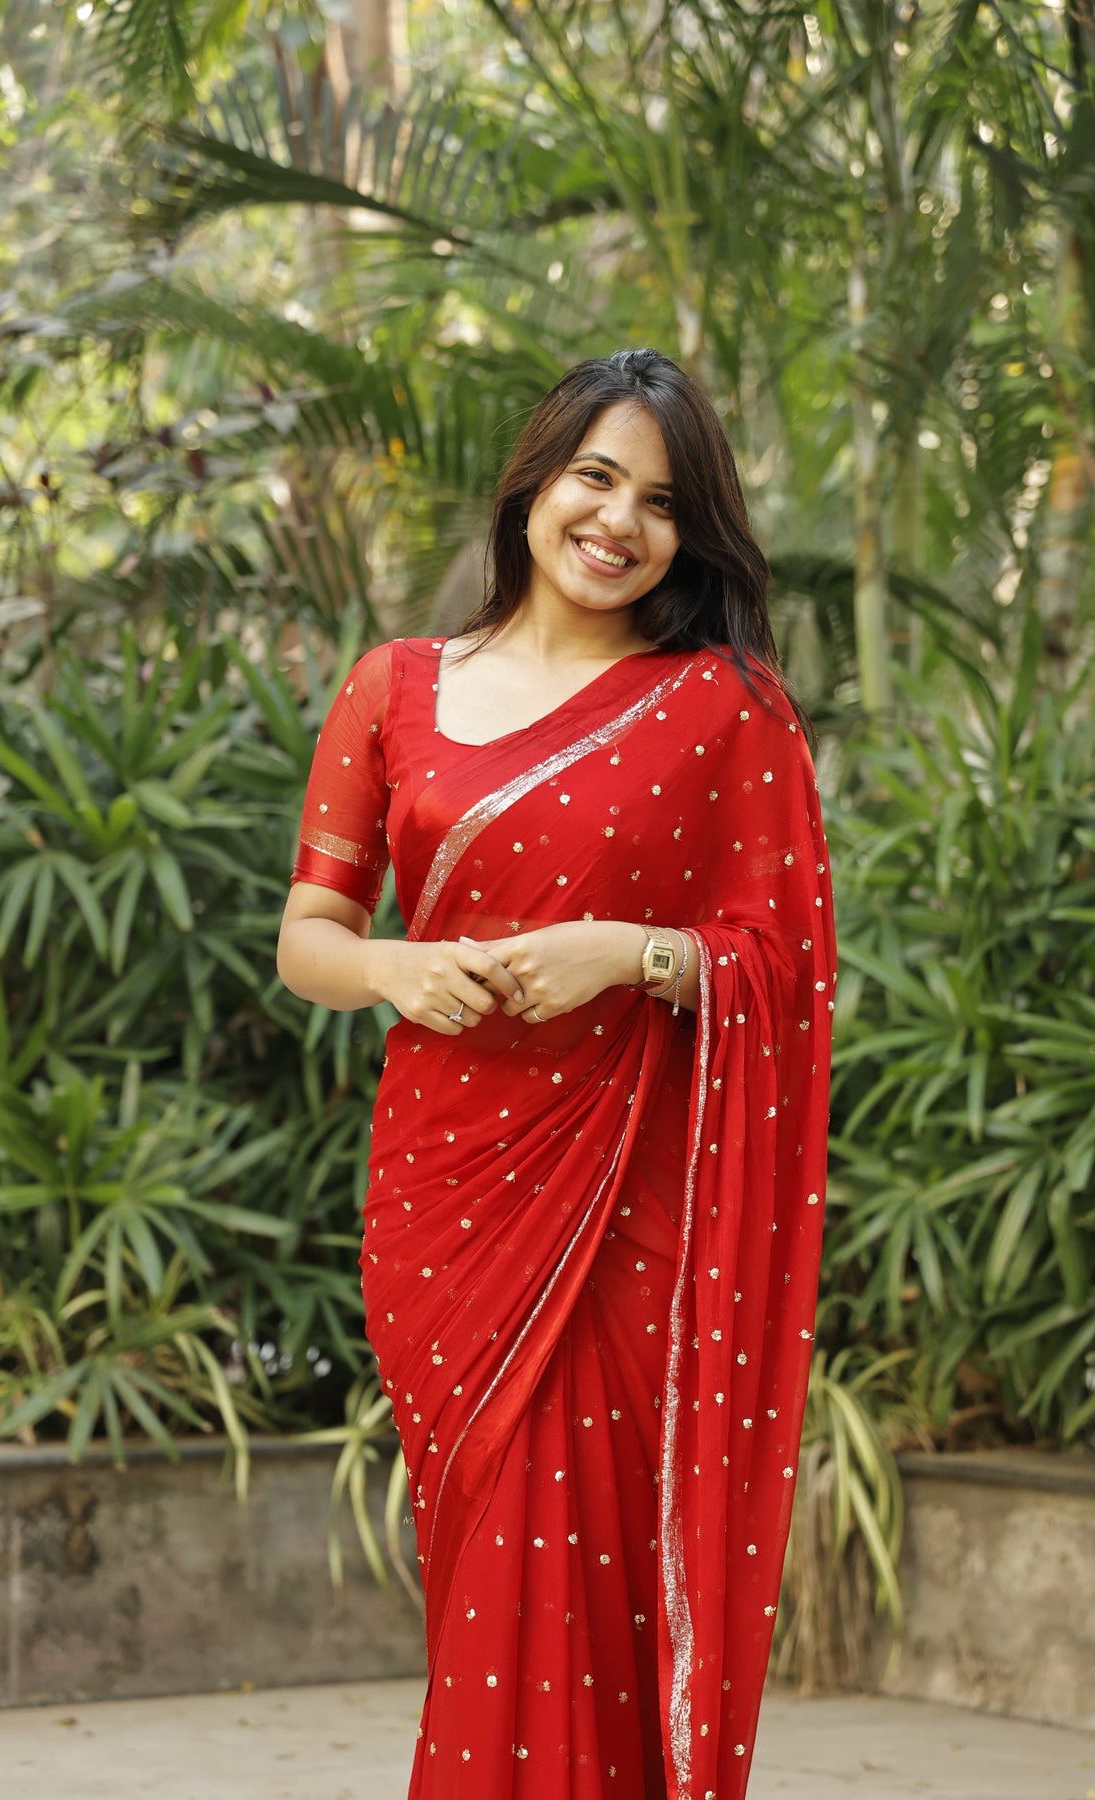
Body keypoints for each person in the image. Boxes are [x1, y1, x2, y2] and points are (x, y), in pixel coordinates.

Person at [275, 348, 835, 1800]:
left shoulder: (723, 707)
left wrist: (628, 954)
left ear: (688, 534)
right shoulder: (394, 688)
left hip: (628, 1211)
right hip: (446, 1200)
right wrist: (397, 969)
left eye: (662, 501)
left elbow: (786, 966)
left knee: (582, 1584)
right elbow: (311, 935)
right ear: (534, 481)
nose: (618, 521)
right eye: (596, 476)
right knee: (489, 1571)